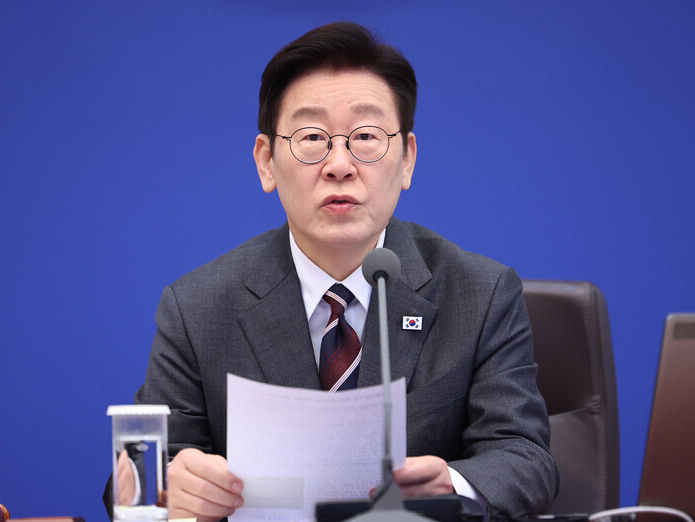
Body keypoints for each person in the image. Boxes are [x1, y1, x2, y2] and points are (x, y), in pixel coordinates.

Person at [105, 21, 558, 521]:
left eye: (365, 136)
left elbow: (525, 458)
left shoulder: (480, 293)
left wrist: (451, 485)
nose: (339, 164)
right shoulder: (197, 308)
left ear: (407, 160)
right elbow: (136, 476)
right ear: (266, 162)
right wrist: (168, 490)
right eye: (312, 137)